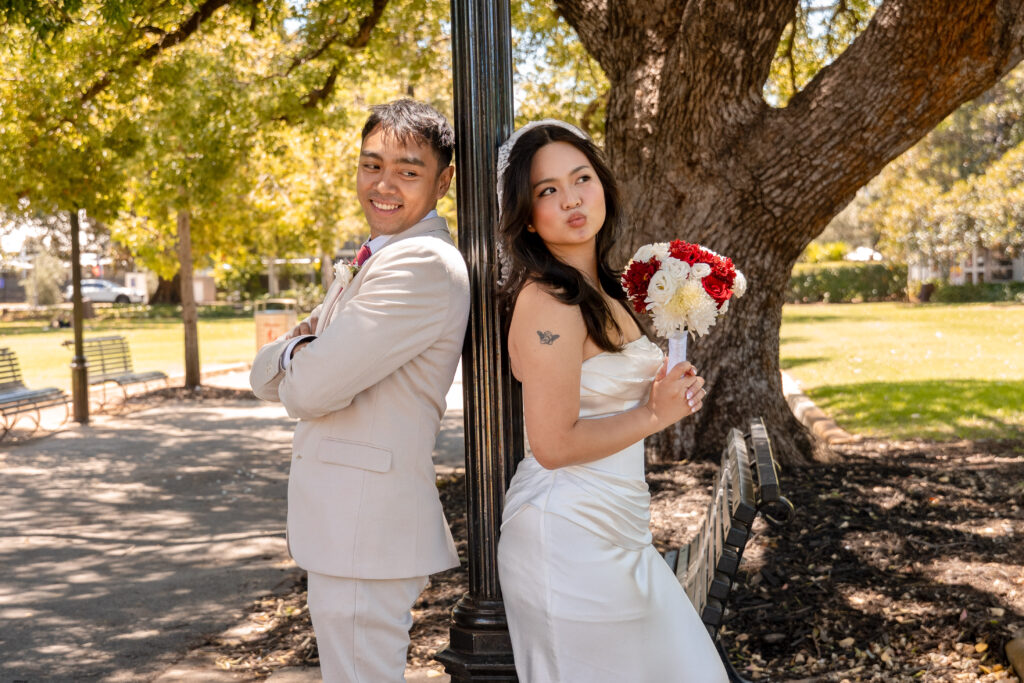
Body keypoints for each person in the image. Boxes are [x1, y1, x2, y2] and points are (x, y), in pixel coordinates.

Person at [495, 120, 727, 682]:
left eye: (582, 178)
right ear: (528, 213)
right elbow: (552, 444)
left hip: (618, 525)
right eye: (548, 190)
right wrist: (652, 413)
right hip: (566, 532)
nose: (571, 198)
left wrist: (665, 391)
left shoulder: (604, 287)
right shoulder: (547, 302)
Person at [249, 99, 470, 683]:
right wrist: (305, 348)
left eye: (408, 169)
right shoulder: (381, 256)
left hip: (366, 530)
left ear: (443, 181)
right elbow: (259, 374)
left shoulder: (420, 263)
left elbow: (307, 391)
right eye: (372, 165)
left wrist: (303, 349)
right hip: (354, 529)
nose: (384, 183)